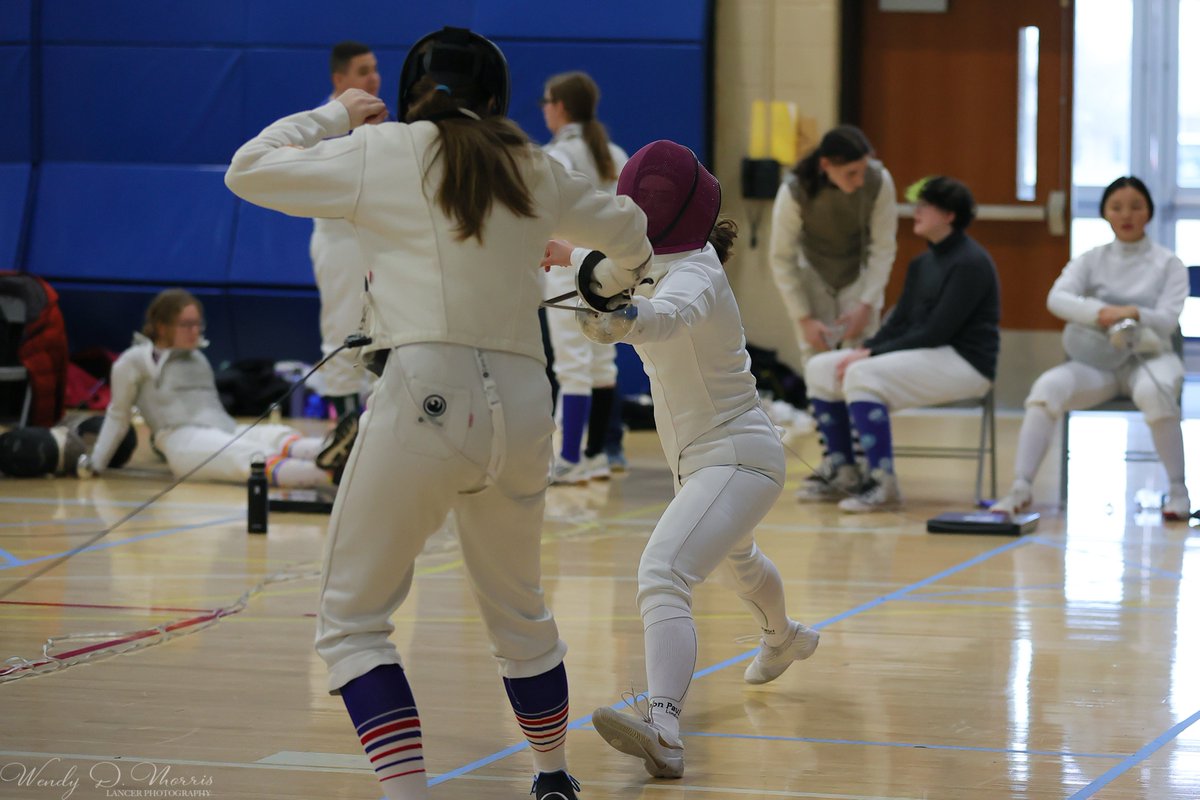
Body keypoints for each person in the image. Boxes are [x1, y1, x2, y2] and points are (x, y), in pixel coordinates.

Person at [224, 26, 651, 800]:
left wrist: (334, 113)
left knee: (352, 622)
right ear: (497, 95)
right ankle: (553, 779)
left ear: (413, 89)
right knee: (520, 612)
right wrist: (599, 284)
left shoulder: (381, 148)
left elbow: (247, 169)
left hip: (424, 393)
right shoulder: (535, 163)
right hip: (525, 403)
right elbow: (634, 237)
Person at [542, 140, 820, 780]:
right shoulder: (643, 259)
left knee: (663, 571)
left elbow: (664, 315)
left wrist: (620, 322)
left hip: (739, 457)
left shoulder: (698, 272)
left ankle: (663, 726)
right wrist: (566, 253)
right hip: (704, 461)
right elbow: (608, 273)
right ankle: (783, 638)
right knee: (740, 563)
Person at [993, 176, 1192, 520]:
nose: (1126, 215)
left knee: (1156, 393)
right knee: (1046, 390)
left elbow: (1167, 318)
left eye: (1135, 207)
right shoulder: (1090, 259)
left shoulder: (1169, 263)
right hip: (1097, 363)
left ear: (1148, 213)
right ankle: (1021, 487)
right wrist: (1099, 313)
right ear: (1105, 213)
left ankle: (1178, 492)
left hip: (1151, 357)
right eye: (1117, 207)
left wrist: (1132, 313)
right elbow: (1057, 299)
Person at [799, 176, 999, 512]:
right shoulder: (923, 263)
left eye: (926, 206)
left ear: (949, 215)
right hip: (930, 353)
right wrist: (865, 348)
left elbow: (937, 331)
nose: (916, 211)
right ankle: (844, 471)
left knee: (862, 374)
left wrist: (871, 354)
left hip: (966, 362)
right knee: (820, 368)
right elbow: (900, 321)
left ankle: (883, 481)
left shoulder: (971, 263)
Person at [79, 289, 355, 487]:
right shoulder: (133, 362)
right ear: (162, 327)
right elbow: (117, 416)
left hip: (224, 429)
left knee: (273, 434)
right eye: (186, 325)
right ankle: (333, 475)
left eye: (197, 324)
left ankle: (339, 452)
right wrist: (96, 463)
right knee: (247, 454)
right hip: (182, 440)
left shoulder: (197, 359)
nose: (195, 331)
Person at [540, 71, 629, 483]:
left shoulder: (556, 155)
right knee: (601, 363)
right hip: (610, 270)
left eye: (546, 102)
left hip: (569, 268)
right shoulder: (614, 153)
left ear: (559, 107)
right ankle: (596, 456)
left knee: (573, 366)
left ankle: (571, 459)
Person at [768, 125, 898, 365]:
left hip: (858, 275)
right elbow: (781, 257)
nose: (860, 181)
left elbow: (883, 248)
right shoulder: (795, 190)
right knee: (817, 363)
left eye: (863, 171)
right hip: (814, 274)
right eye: (851, 173)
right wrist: (803, 318)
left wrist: (866, 304)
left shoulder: (879, 181)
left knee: (860, 363)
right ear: (826, 165)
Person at [310, 41, 381, 420]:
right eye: (363, 71)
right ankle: (346, 438)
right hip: (340, 242)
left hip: (378, 242)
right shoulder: (320, 126)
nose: (373, 78)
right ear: (339, 79)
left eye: (375, 69)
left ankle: (372, 434)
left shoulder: (380, 121)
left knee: (380, 338)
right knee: (344, 338)